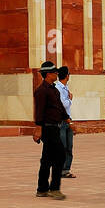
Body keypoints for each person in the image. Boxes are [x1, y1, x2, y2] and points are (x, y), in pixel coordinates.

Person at [33, 60, 68, 199]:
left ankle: (42, 189)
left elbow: (60, 107)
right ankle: (54, 188)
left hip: (55, 127)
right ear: (48, 74)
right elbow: (39, 111)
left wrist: (68, 120)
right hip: (48, 129)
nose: (57, 74)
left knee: (47, 159)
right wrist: (38, 128)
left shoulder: (54, 89)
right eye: (54, 72)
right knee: (60, 156)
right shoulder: (41, 91)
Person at [57, 66, 76, 179]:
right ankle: (60, 168)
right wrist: (70, 99)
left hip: (68, 119)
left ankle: (66, 169)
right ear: (67, 75)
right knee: (62, 146)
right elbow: (63, 104)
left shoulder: (65, 87)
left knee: (69, 146)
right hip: (61, 121)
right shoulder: (58, 88)